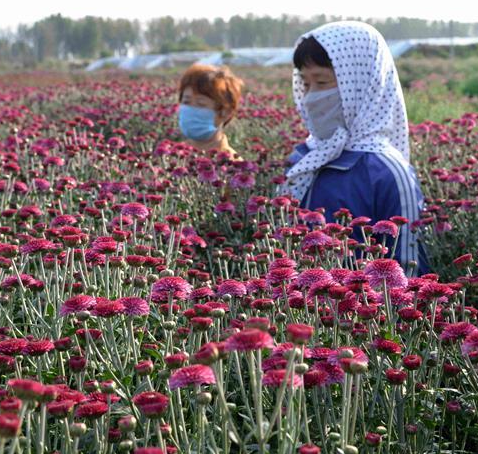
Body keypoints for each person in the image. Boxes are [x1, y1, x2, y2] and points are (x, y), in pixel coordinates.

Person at [278, 21, 430, 276]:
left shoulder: (387, 172)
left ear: (362, 85)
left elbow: (410, 277)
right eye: (305, 83)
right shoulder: (304, 159)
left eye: (322, 82)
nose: (310, 96)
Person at [177, 64, 243, 157]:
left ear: (226, 112)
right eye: (186, 102)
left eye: (201, 104)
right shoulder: (172, 156)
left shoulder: (233, 165)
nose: (191, 109)